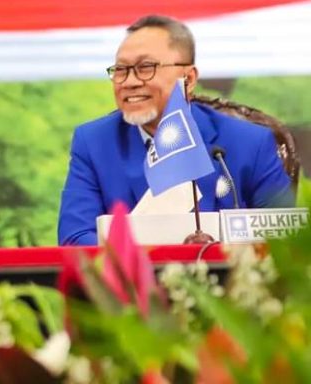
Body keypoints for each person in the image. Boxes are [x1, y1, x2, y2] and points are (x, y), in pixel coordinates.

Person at [58, 15, 294, 245]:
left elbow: (286, 239)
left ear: (189, 79)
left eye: (145, 67)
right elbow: (75, 238)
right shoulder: (94, 143)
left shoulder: (251, 143)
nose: (129, 82)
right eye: (120, 70)